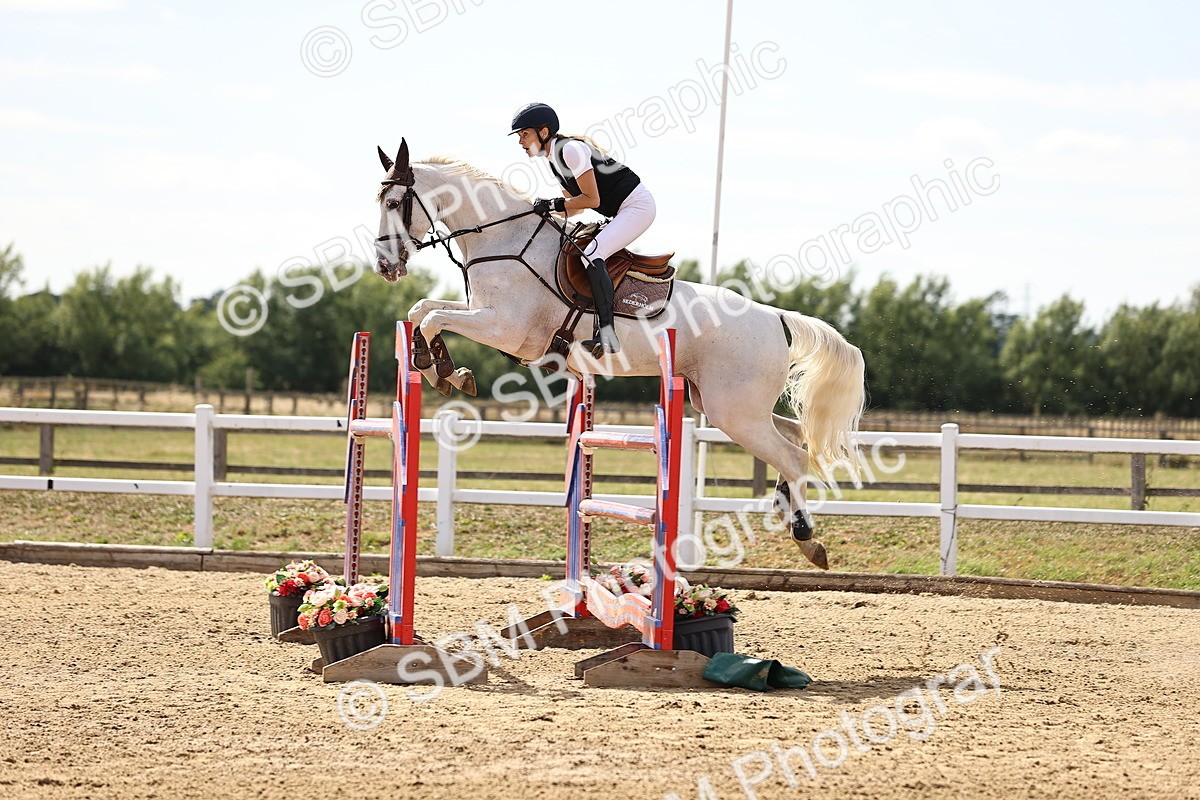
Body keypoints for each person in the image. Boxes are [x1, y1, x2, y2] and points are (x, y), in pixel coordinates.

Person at [510, 102, 657, 357]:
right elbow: (575, 207)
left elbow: (592, 200)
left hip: (637, 206)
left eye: (524, 134)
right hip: (622, 210)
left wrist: (552, 204)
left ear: (543, 132)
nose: (521, 142)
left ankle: (608, 334)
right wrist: (542, 210)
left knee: (592, 253)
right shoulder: (554, 159)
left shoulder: (570, 150)